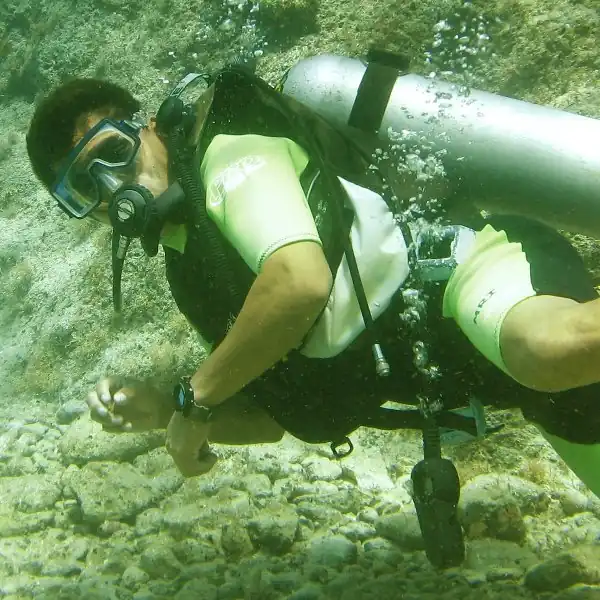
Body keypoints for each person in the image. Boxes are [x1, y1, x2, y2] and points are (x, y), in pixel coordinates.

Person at [24, 61, 600, 500]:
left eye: (114, 153)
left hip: (468, 272)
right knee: (558, 381)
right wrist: (162, 410)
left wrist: (192, 400)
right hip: (479, 371)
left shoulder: (230, 157)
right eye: (85, 188)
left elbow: (298, 283)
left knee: (549, 349)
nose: (113, 189)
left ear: (149, 129)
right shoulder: (191, 266)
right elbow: (271, 416)